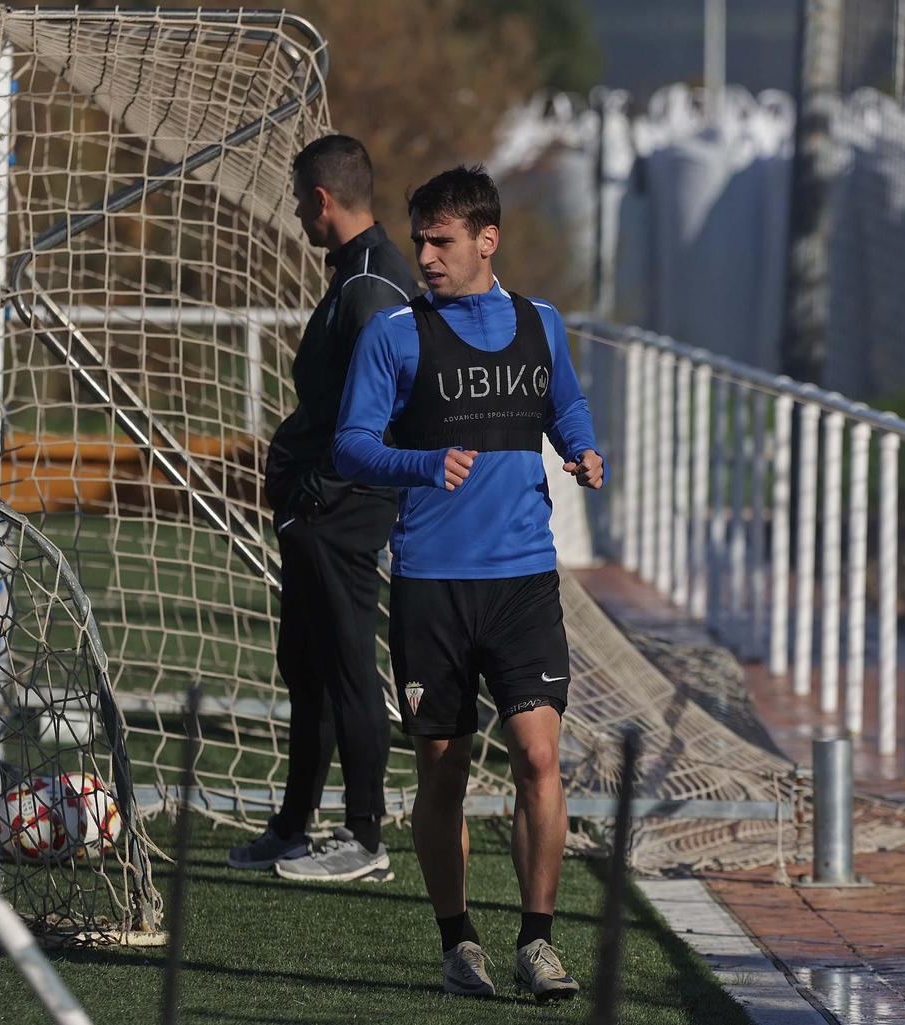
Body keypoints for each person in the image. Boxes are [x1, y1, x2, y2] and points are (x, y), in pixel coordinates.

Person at [332, 165, 605, 1002]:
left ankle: (537, 941)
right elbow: (351, 444)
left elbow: (565, 403)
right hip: (432, 585)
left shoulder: (541, 322)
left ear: (487, 240)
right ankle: (458, 943)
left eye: (440, 240)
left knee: (539, 755)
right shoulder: (395, 333)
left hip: (523, 579)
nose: (424, 256)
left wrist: (583, 448)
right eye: (419, 239)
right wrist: (421, 463)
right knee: (444, 771)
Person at [227, 135, 418, 882]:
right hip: (321, 509)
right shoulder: (357, 274)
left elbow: (385, 406)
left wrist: (319, 494)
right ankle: (292, 825)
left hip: (344, 509)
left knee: (347, 666)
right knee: (305, 665)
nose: (298, 215)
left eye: (299, 201)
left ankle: (365, 835)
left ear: (321, 199)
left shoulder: (373, 284)